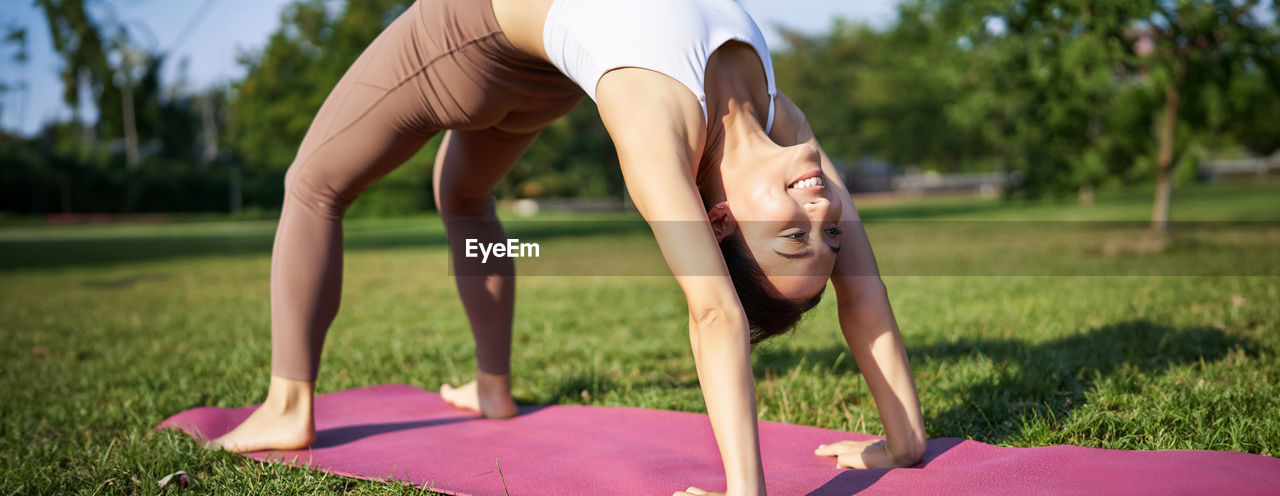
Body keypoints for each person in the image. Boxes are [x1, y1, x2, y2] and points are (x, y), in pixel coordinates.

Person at [211, 0, 927, 494]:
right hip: (542, 65)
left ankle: (287, 403)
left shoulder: (658, 125)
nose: (821, 205)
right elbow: (861, 290)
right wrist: (904, 441)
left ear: (717, 222)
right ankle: (490, 386)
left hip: (473, 32)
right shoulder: (785, 124)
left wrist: (746, 489)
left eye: (793, 234)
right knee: (461, 196)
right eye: (824, 231)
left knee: (312, 185)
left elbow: (715, 312)